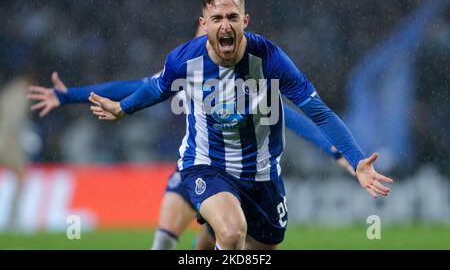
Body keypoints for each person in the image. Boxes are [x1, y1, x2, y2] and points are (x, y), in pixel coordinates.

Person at [86, 0, 393, 250]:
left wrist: (356, 160)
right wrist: (122, 108)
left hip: (262, 175)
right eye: (217, 18)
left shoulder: (271, 60)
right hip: (207, 165)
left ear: (245, 21)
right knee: (232, 233)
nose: (225, 25)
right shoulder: (184, 59)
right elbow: (156, 88)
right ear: (204, 24)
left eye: (232, 17)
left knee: (258, 247)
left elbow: (320, 114)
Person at [28, 71, 353, 250]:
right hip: (196, 167)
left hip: (241, 177)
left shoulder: (249, 80)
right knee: (167, 234)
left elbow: (291, 118)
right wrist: (68, 95)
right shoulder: (185, 71)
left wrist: (335, 150)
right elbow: (131, 88)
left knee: (223, 242)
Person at [0, 75, 32, 230]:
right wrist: (24, 135)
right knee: (21, 175)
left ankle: (13, 219)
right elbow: (13, 122)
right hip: (7, 142)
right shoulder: (20, 95)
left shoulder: (8, 92)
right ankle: (13, 219)